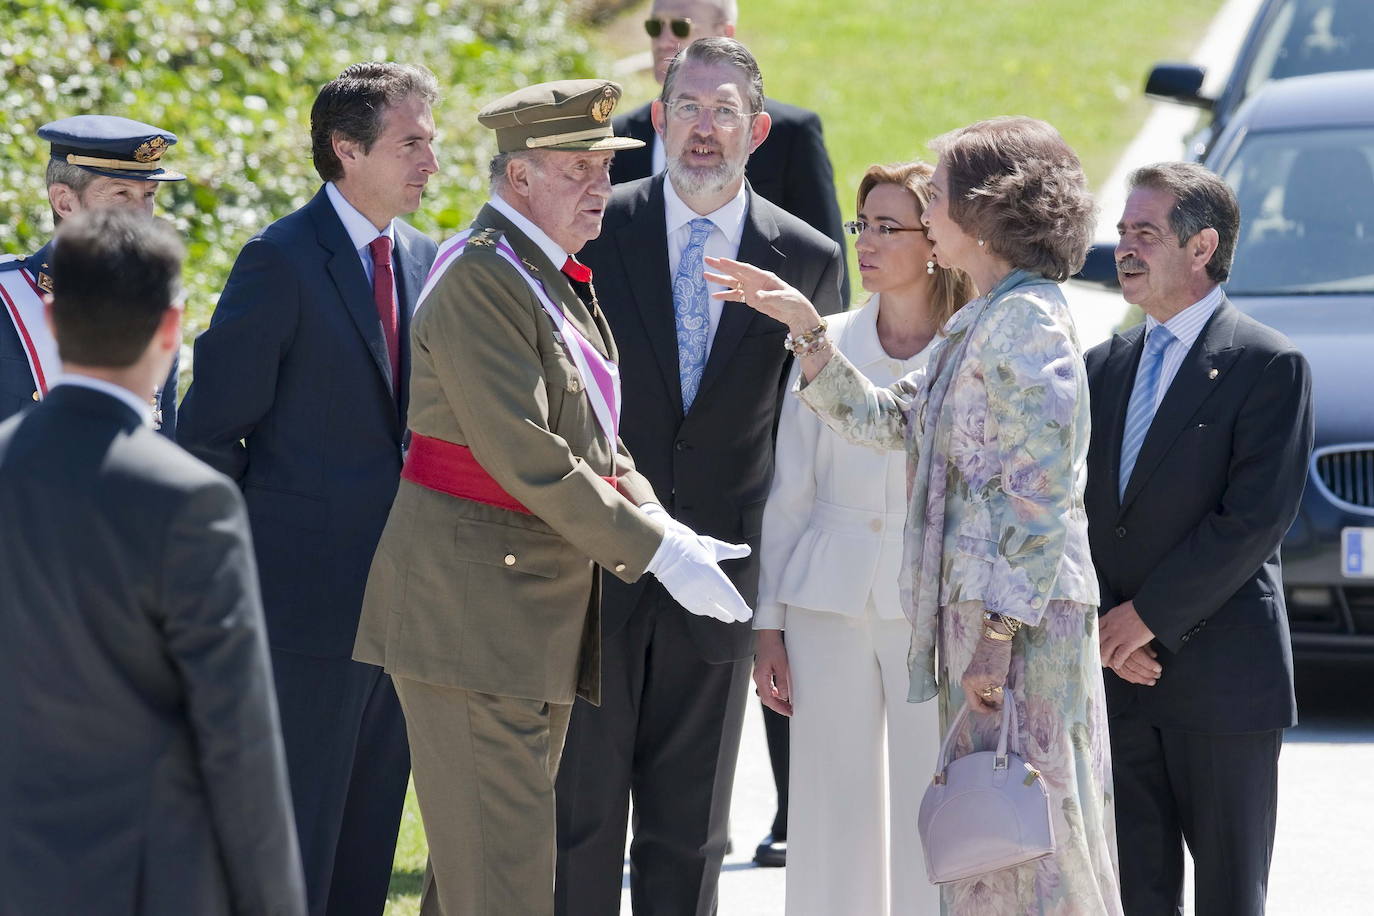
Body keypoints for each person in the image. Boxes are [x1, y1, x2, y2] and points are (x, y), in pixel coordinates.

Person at [353, 78, 753, 916]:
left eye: (606, 167)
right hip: (472, 621)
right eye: (579, 168)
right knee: (505, 886)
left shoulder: (546, 273)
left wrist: (660, 523)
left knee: (479, 881)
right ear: (519, 178)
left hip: (518, 619)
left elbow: (600, 442)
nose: (601, 186)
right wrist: (656, 549)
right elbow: (526, 454)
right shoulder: (482, 280)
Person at [707, 115, 1123, 914]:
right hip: (991, 620)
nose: (924, 213)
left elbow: (1041, 499)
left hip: (1022, 627)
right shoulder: (987, 318)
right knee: (994, 847)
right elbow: (891, 423)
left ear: (984, 212)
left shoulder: (1026, 321)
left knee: (1040, 842)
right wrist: (807, 330)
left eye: (934, 196)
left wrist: (997, 642)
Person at [553, 38, 844, 916]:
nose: (705, 130)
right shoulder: (596, 232)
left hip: (721, 583)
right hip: (596, 570)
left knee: (691, 835)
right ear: (658, 119)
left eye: (725, 113)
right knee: (581, 821)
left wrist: (778, 606)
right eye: (688, 109)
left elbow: (813, 445)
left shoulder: (809, 259)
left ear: (756, 130)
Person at [177, 62, 439, 916]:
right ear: (346, 148)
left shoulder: (425, 257)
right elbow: (210, 436)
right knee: (297, 853)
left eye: (431, 143)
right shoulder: (279, 261)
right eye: (411, 143)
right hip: (300, 616)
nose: (430, 163)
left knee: (367, 842)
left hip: (403, 609)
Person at [0, 208, 305, 916]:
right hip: (145, 878)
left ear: (50, 318)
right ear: (172, 329)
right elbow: (240, 739)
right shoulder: (192, 500)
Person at [1085, 162, 1313, 916]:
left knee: (1228, 896)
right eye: (1121, 232)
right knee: (1135, 893)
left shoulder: (1267, 364)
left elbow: (1252, 521)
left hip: (1222, 683)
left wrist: (1143, 619)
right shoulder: (1102, 367)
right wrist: (1105, 627)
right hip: (1121, 680)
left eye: (1144, 233)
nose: (1124, 248)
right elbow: (1080, 513)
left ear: (1202, 245)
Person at [751, 161, 973, 916]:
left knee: (929, 807)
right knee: (828, 807)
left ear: (935, 241)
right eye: (862, 225)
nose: (866, 243)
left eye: (888, 227)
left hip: (933, 612)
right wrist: (769, 627)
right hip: (828, 604)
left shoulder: (968, 345)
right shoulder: (827, 338)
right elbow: (790, 492)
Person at [1, 114, 182, 433]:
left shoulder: (155, 301)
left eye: (149, 195)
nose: (141, 214)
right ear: (64, 202)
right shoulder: (7, 295)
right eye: (121, 195)